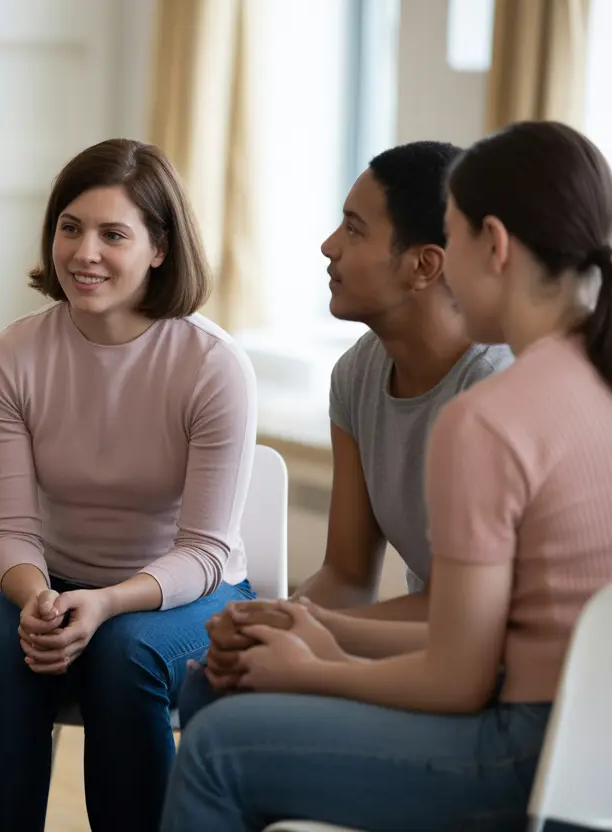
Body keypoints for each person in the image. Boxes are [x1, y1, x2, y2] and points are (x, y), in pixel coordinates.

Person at [160, 119, 612, 832]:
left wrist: (317, 660)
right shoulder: (587, 376)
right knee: (226, 700)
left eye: (456, 238)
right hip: (579, 741)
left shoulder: (492, 414)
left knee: (216, 749)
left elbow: (461, 678)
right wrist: (306, 627)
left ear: (488, 246)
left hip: (533, 750)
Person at [0, 138, 258, 832]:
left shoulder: (212, 365)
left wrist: (108, 603)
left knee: (126, 653)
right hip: (55, 580)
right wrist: (39, 599)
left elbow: (208, 551)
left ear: (159, 248)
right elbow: (7, 530)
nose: (83, 252)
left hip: (190, 595)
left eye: (112, 234)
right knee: (7, 646)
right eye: (70, 227)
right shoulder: (10, 359)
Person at [182, 141, 515, 723]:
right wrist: (274, 624)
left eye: (354, 230)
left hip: (491, 674)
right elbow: (348, 573)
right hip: (427, 645)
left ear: (424, 265)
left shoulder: (494, 389)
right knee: (213, 689)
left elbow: (471, 616)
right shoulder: (357, 374)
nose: (328, 246)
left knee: (231, 725)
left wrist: (305, 630)